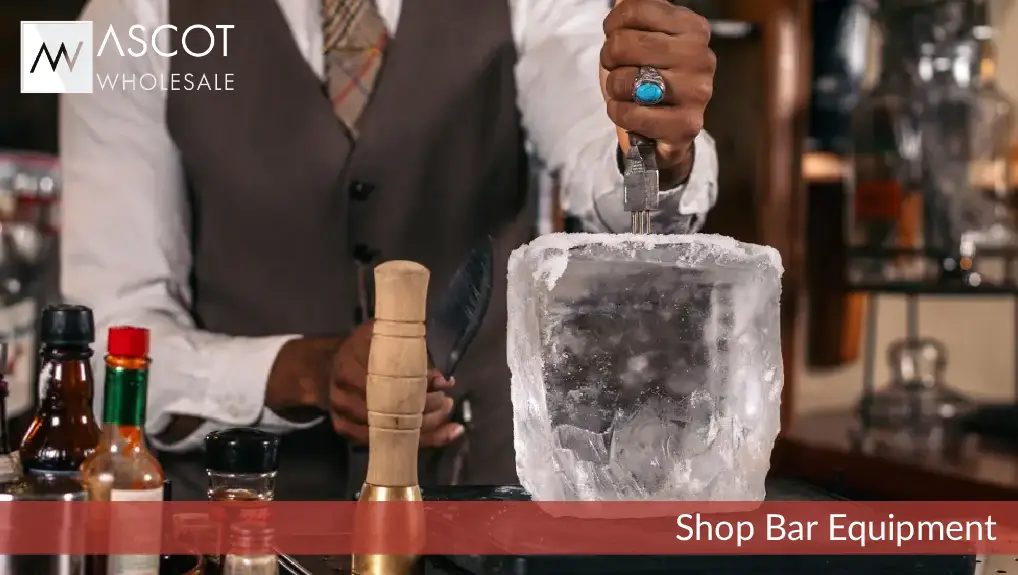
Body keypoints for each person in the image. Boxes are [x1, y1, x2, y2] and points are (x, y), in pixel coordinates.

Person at [61, 0, 719, 497]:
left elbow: (616, 177)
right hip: (237, 523)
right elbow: (107, 341)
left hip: (484, 510)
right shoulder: (117, 21)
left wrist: (657, 152)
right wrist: (300, 372)